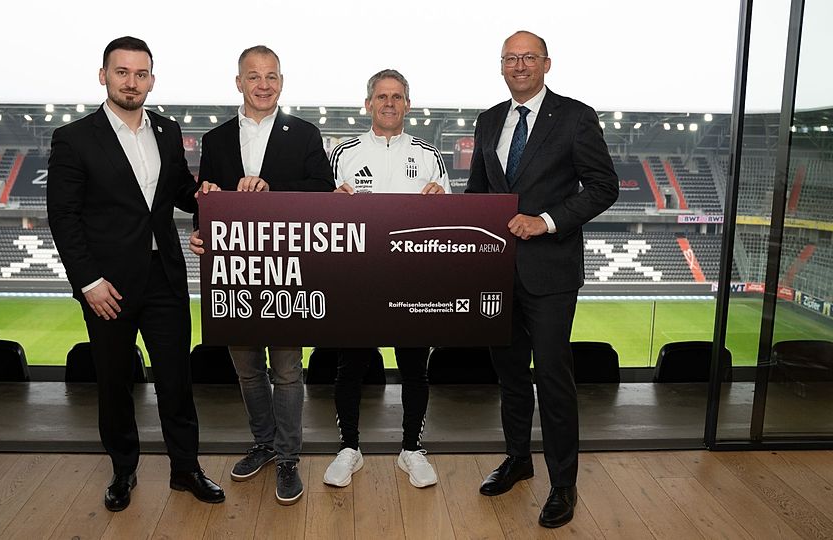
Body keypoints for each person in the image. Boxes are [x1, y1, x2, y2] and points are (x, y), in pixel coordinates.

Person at [48, 36, 225, 512]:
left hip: (164, 275)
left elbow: (179, 191)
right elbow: (63, 217)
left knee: (176, 380)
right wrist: (88, 283)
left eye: (140, 73)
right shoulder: (74, 138)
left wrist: (204, 195)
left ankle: (185, 469)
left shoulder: (167, 130)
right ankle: (123, 470)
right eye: (122, 72)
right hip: (108, 285)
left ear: (152, 79)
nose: (131, 82)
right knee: (114, 384)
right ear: (103, 75)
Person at [465, 31, 618, 528]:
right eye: (511, 58)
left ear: (546, 64)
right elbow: (479, 193)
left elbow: (604, 187)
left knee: (553, 379)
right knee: (510, 376)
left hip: (550, 271)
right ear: (501, 66)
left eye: (528, 57)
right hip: (497, 271)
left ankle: (563, 485)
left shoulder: (575, 116)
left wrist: (546, 221)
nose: (519, 65)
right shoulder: (489, 120)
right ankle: (517, 459)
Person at [190, 45, 334, 505]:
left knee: (287, 371)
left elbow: (323, 191)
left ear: (281, 82)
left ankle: (288, 457)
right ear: (239, 82)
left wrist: (271, 189)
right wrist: (200, 231)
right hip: (235, 273)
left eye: (271, 76)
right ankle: (264, 443)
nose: (263, 84)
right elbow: (205, 202)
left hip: (287, 270)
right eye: (254, 76)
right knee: (248, 370)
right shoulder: (215, 140)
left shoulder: (305, 133)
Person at [324, 69, 448, 489]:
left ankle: (412, 449)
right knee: (350, 368)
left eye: (397, 97)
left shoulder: (429, 155)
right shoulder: (343, 153)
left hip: (413, 279)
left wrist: (442, 201)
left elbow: (448, 221)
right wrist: (331, 204)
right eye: (381, 96)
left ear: (407, 105)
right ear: (368, 104)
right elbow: (325, 221)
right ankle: (349, 448)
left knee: (414, 369)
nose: (389, 103)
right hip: (358, 280)